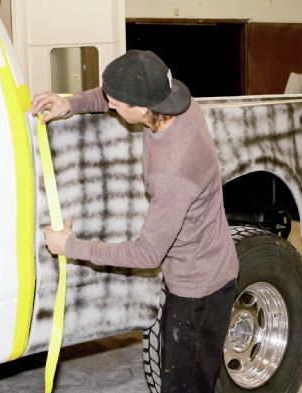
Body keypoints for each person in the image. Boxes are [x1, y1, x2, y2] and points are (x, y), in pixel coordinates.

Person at [32, 50, 239, 393]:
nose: (110, 106)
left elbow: (146, 255)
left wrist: (70, 245)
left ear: (143, 108)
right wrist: (72, 103)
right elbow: (111, 95)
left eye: (116, 103)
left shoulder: (175, 169)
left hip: (198, 291)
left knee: (185, 385)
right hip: (208, 266)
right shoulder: (175, 102)